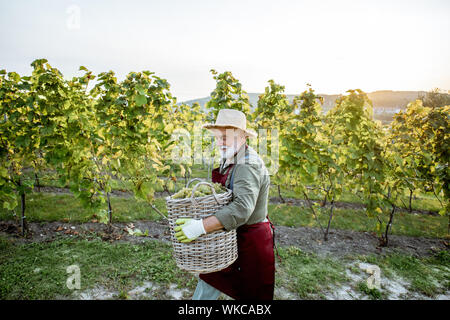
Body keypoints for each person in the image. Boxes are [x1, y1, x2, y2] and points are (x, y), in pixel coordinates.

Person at [173, 108, 275, 300]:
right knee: (211, 281)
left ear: (243, 136)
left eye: (227, 137)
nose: (221, 142)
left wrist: (200, 227)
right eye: (219, 137)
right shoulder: (231, 156)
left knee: (252, 295)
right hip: (230, 236)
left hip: (250, 241)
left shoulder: (248, 164)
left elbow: (243, 208)